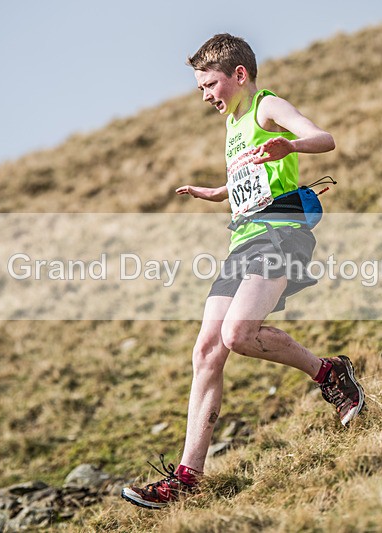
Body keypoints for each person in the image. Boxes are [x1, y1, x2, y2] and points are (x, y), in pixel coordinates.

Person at [121, 33, 364, 510]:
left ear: (239, 75)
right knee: (206, 349)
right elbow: (249, 181)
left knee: (237, 334)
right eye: (200, 89)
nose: (206, 95)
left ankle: (329, 373)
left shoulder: (266, 106)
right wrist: (217, 192)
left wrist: (287, 145)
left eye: (209, 84)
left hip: (281, 232)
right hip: (243, 239)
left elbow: (324, 139)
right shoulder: (232, 125)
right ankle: (187, 478)